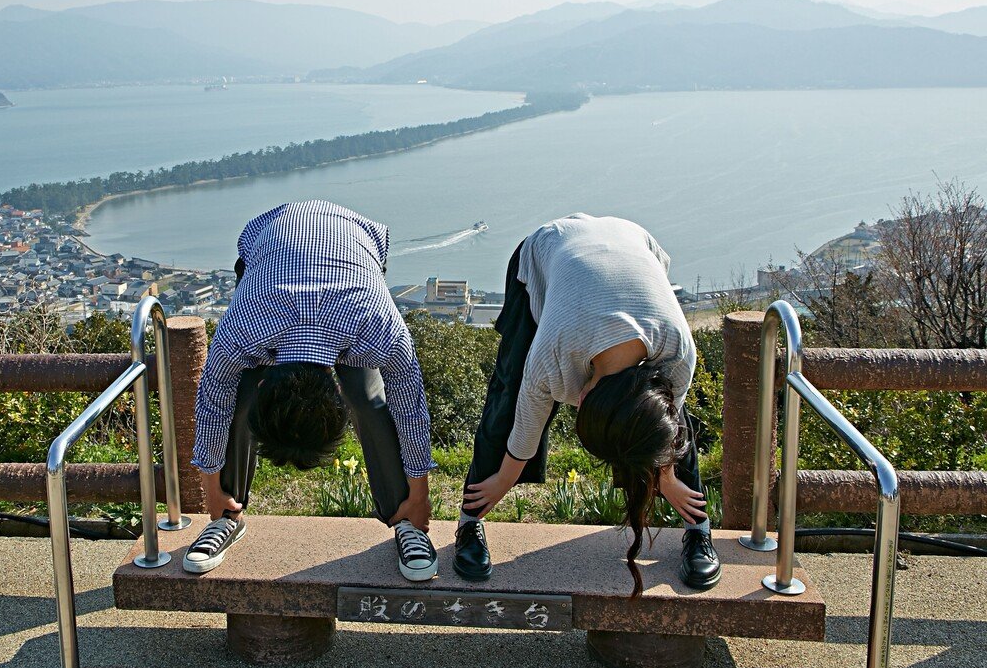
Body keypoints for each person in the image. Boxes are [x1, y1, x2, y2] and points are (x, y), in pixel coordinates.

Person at [456, 213, 720, 595]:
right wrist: (503, 478)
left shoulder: (676, 350)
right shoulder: (551, 354)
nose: (576, 401)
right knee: (508, 396)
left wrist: (668, 479)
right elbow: (526, 424)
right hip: (547, 248)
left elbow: (668, 425)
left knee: (664, 426)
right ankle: (469, 522)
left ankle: (698, 530)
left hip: (633, 246)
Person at [184, 200, 438, 582]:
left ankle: (406, 520)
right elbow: (211, 403)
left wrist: (420, 497)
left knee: (370, 400)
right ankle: (227, 514)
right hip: (267, 238)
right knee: (237, 398)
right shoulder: (243, 331)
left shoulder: (377, 328)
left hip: (356, 239)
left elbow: (411, 410)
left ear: (336, 386)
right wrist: (210, 491)